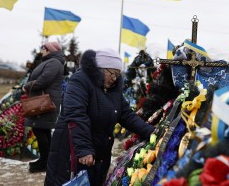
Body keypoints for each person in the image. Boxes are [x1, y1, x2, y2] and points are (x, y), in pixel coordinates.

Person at [44, 48, 155, 186]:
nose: (115, 78)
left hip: (99, 154)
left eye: (118, 74)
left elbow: (126, 115)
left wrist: (151, 131)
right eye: (112, 73)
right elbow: (76, 115)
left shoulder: (113, 90)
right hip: (73, 152)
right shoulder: (80, 80)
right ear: (100, 68)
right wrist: (84, 149)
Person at [22, 41, 65, 173]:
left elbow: (45, 79)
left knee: (40, 131)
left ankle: (45, 161)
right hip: (45, 101)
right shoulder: (51, 61)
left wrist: (27, 86)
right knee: (43, 131)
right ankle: (46, 160)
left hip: (46, 103)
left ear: (49, 50)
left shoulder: (54, 63)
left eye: (44, 48)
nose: (42, 50)